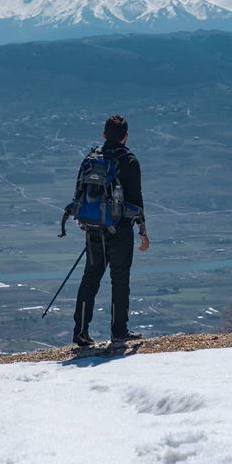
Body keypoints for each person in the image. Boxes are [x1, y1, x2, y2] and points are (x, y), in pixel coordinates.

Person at [72, 114, 149, 346]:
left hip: (93, 230)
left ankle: (81, 332)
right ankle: (119, 331)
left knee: (90, 278)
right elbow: (137, 200)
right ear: (126, 137)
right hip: (121, 230)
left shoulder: (91, 158)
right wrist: (143, 231)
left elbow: (78, 194)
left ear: (104, 134)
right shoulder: (129, 161)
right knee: (120, 279)